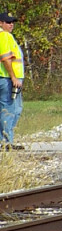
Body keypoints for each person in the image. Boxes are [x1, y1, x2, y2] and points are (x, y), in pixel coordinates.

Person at [0, 12, 25, 149]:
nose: (11, 25)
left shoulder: (6, 36)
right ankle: (5, 142)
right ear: (0, 23)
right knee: (10, 110)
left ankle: (6, 141)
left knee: (11, 109)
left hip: (8, 78)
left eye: (12, 22)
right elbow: (5, 58)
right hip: (7, 79)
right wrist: (13, 77)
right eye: (8, 22)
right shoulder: (3, 36)